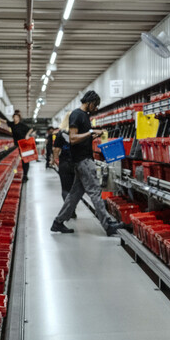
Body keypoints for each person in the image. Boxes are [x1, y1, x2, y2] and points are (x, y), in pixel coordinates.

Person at [50, 91, 122, 236]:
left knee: (74, 195)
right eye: (95, 105)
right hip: (83, 161)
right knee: (95, 191)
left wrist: (93, 135)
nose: (96, 108)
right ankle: (107, 224)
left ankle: (58, 222)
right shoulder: (77, 115)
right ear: (89, 102)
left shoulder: (85, 116)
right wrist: (90, 133)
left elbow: (80, 138)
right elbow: (73, 139)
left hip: (82, 160)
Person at [52, 111, 78, 218]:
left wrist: (55, 159)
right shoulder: (78, 132)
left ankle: (70, 210)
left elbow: (56, 149)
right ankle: (72, 209)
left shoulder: (60, 133)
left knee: (65, 189)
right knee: (74, 189)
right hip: (77, 163)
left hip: (64, 163)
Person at [7, 111, 32, 182]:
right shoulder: (12, 124)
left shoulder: (22, 125)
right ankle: (24, 174)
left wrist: (27, 135)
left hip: (24, 143)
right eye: (14, 117)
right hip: (17, 144)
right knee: (22, 159)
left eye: (17, 117)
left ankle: (25, 175)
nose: (16, 118)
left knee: (25, 160)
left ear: (19, 118)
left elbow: (31, 129)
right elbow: (5, 121)